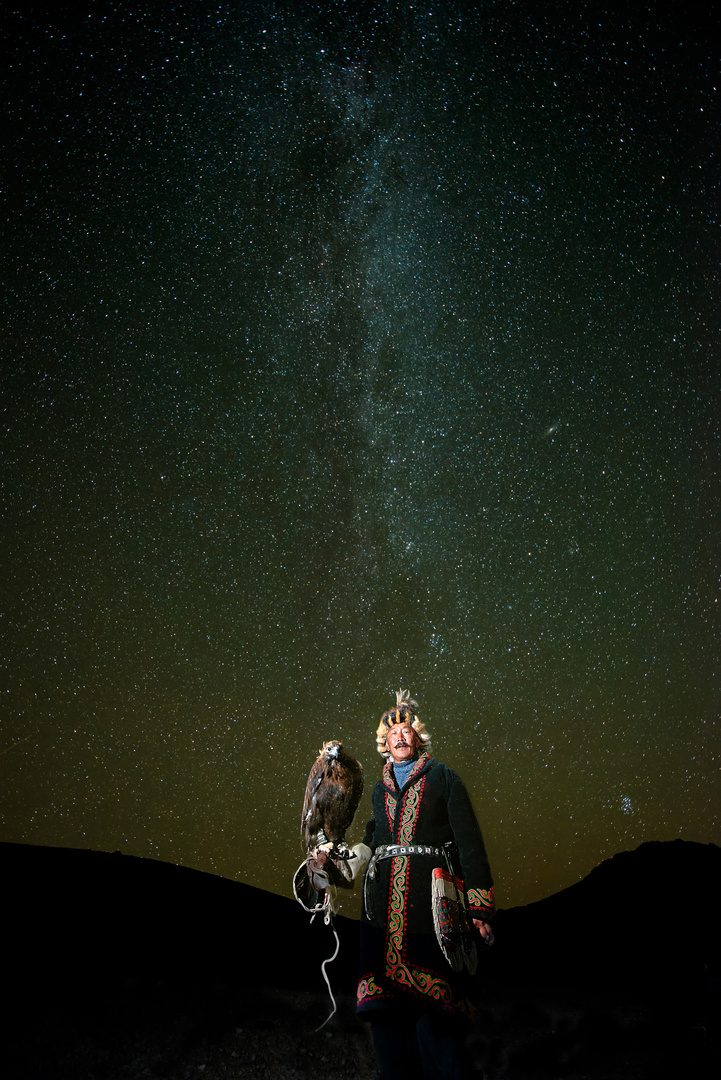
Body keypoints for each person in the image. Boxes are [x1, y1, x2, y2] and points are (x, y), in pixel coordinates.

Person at [355, 690, 495, 1080]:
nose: (399, 735)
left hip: (432, 909)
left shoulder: (444, 777)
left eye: (406, 728)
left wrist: (479, 905)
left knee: (439, 1036)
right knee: (389, 1040)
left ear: (418, 736)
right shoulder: (378, 789)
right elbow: (371, 839)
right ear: (384, 742)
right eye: (392, 730)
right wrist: (339, 861)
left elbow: (469, 841)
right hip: (380, 915)